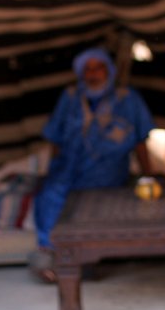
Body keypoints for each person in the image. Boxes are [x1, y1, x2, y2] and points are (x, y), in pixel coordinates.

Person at [30, 46, 154, 281]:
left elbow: (140, 141)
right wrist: (52, 170)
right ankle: (50, 256)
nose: (93, 74)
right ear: (81, 74)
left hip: (107, 169)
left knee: (93, 202)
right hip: (69, 166)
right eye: (88, 69)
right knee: (50, 194)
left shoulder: (127, 99)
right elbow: (55, 137)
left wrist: (149, 175)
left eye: (98, 68)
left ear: (109, 71)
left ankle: (85, 259)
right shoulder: (70, 98)